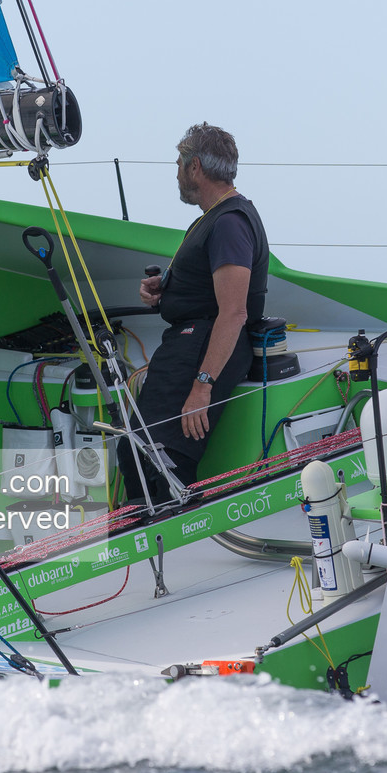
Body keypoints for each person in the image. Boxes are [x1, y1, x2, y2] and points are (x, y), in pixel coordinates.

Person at [121, 123, 269, 503]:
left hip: (200, 350)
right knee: (139, 454)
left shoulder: (229, 223)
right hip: (189, 343)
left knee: (159, 460)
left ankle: (162, 544)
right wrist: (165, 289)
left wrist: (202, 386)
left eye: (179, 163)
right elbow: (208, 287)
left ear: (195, 167)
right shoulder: (213, 218)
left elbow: (235, 312)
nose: (176, 172)